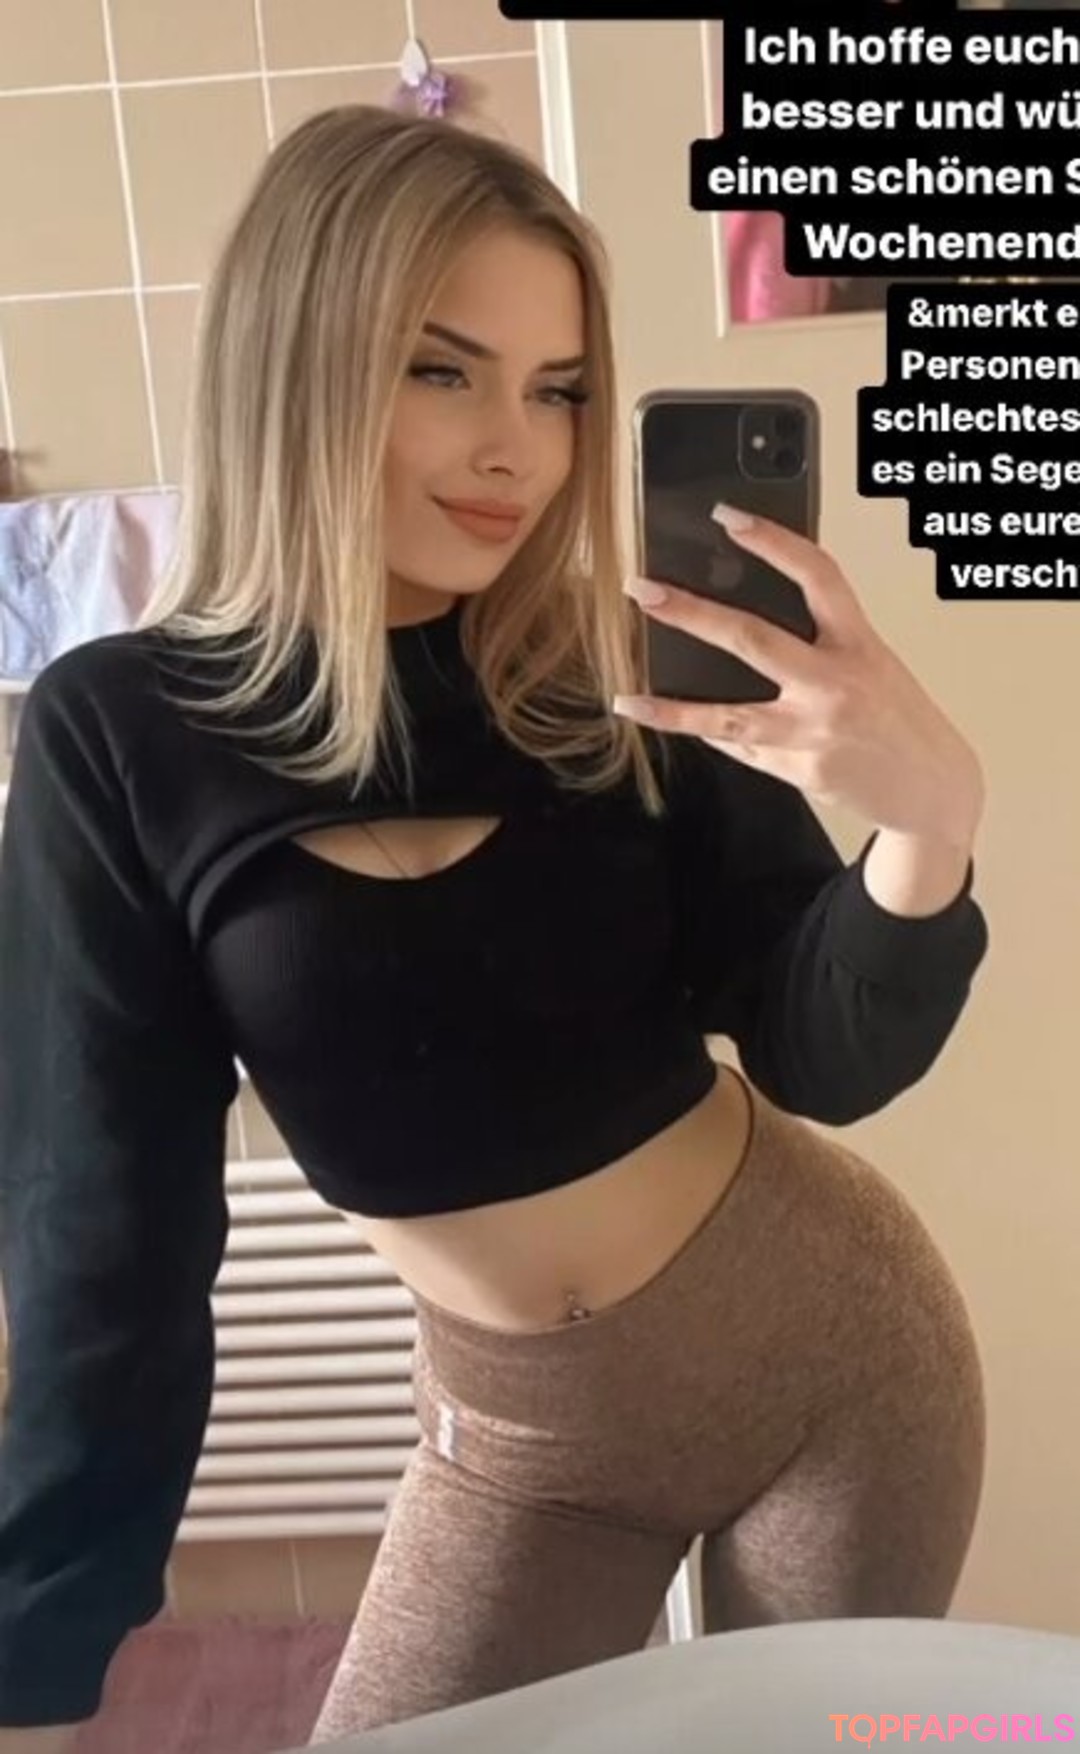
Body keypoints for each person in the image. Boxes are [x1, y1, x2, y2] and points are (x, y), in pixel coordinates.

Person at [0, 105, 989, 1751]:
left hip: (836, 1367)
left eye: (559, 390)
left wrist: (924, 829)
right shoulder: (121, 735)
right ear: (298, 364)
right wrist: (33, 1657)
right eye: (443, 370)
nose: (515, 450)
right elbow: (108, 1231)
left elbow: (822, 1052)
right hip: (527, 1443)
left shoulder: (615, 679)